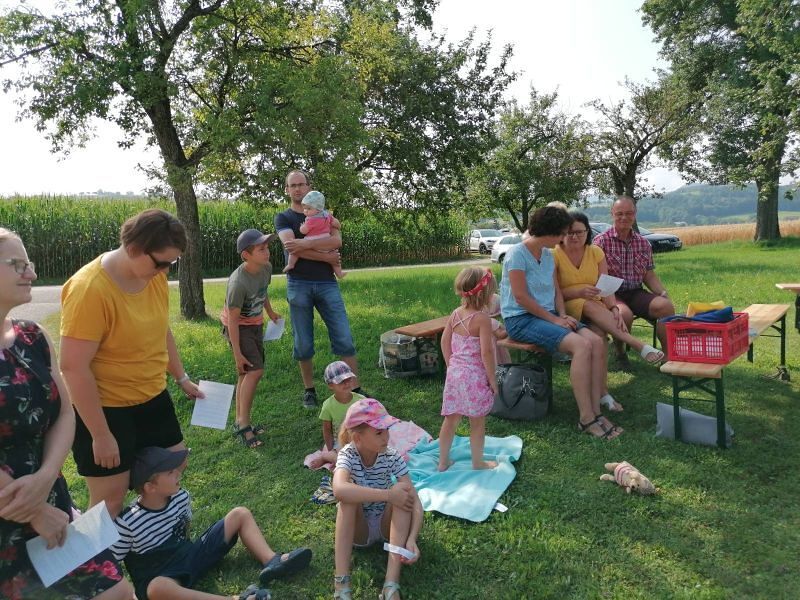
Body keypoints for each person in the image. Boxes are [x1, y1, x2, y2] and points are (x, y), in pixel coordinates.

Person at [0, 228, 133, 599]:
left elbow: (62, 412)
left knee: (118, 592)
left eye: (29, 263)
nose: (31, 273)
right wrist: (32, 510)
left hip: (51, 499)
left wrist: (46, 478)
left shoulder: (33, 336)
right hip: (14, 511)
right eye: (17, 265)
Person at [60, 209, 203, 518]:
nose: (165, 271)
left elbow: (161, 329)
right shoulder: (89, 289)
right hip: (106, 409)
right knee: (109, 502)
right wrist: (100, 435)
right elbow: (73, 367)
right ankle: (97, 549)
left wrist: (181, 377)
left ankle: (144, 534)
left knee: (175, 462)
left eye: (172, 264)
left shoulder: (153, 277)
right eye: (161, 263)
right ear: (134, 248)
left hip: (152, 396)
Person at [111, 447, 311, 600]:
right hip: (164, 576)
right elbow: (110, 563)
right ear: (150, 487)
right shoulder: (128, 522)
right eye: (170, 472)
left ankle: (272, 561)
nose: (178, 473)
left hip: (190, 556)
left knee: (239, 514)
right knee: (156, 588)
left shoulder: (180, 497)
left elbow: (185, 530)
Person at [500, 205, 623, 439]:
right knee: (581, 346)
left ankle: (596, 412)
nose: (564, 238)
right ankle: (586, 419)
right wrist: (554, 319)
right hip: (520, 319)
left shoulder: (548, 255)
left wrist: (562, 314)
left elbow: (556, 290)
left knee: (596, 342)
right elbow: (521, 297)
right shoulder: (517, 254)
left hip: (548, 315)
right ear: (551, 232)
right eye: (563, 233)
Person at [275, 170, 363, 409]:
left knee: (344, 338)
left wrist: (304, 244)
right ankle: (309, 390)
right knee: (303, 343)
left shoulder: (325, 214)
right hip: (298, 283)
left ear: (308, 186)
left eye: (301, 184)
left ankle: (355, 390)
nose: (297, 189)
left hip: (327, 283)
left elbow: (336, 241)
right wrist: (325, 256)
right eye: (292, 185)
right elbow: (290, 246)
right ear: (287, 190)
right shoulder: (283, 218)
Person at [554, 211, 664, 382]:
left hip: (596, 306)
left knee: (599, 334)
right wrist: (578, 292)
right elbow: (552, 292)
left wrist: (613, 308)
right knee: (588, 304)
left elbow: (605, 286)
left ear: (587, 232)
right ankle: (638, 345)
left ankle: (601, 388)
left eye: (579, 232)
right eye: (569, 232)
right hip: (566, 305)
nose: (574, 236)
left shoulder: (595, 252)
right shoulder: (553, 255)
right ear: (561, 233)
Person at [332, 399, 422, 600]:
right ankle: (342, 585)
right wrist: (388, 495)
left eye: (387, 431)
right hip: (360, 530)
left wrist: (412, 538)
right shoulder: (347, 455)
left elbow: (415, 501)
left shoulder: (392, 456)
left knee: (403, 491)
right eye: (379, 433)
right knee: (347, 499)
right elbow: (338, 489)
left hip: (388, 529)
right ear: (358, 438)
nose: (386, 437)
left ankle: (391, 585)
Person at [593, 196, 675, 367]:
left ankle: (667, 356)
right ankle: (620, 352)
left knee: (665, 306)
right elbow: (596, 277)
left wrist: (662, 292)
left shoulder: (643, 243)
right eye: (619, 213)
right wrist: (608, 300)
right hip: (611, 293)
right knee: (624, 314)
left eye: (629, 213)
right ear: (612, 214)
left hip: (636, 292)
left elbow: (648, 275)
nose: (624, 217)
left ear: (635, 214)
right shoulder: (600, 241)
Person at [221, 229, 282, 449]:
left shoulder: (266, 268)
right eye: (261, 249)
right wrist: (237, 353)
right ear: (246, 255)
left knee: (246, 373)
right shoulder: (238, 283)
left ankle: (240, 421)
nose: (267, 252)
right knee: (254, 371)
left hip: (255, 324)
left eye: (267, 247)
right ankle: (244, 425)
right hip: (238, 327)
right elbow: (232, 321)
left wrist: (270, 312)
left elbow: (262, 291)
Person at [437, 267, 500, 471]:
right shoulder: (482, 319)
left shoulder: (456, 314)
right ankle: (477, 462)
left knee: (450, 420)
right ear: (484, 294)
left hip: (455, 375)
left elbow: (444, 341)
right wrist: (492, 380)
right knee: (477, 423)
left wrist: (451, 365)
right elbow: (486, 353)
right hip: (474, 378)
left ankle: (443, 461)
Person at [308, 361, 366, 469]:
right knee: (345, 459)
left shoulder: (361, 400)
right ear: (331, 385)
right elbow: (327, 429)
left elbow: (369, 420)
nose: (346, 383)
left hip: (360, 437)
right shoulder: (328, 405)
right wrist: (331, 449)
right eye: (341, 381)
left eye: (348, 379)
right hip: (341, 442)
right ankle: (326, 456)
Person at [283, 191, 346, 279]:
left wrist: (302, 226)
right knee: (334, 258)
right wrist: (335, 225)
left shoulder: (310, 220)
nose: (305, 211)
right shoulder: (327, 215)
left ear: (317, 209)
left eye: (308, 209)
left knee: (295, 249)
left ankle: (290, 264)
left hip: (311, 239)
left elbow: (304, 231)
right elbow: (337, 225)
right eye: (305, 208)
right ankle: (339, 273)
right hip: (325, 241)